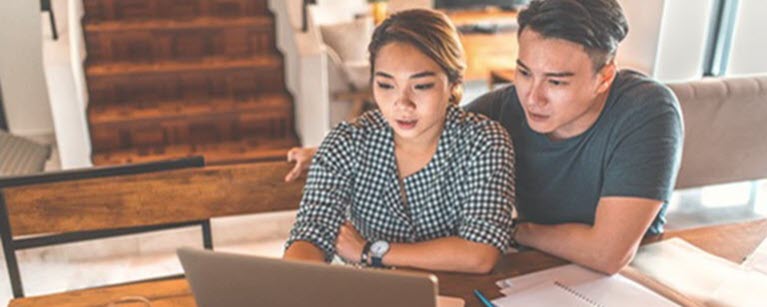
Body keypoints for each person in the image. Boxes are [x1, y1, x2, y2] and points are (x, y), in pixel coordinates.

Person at [285, 0, 684, 275]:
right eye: (524, 72)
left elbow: (608, 253)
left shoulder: (646, 110)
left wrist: (513, 230)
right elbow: (426, 129)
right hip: (528, 274)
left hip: (628, 280)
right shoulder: (502, 111)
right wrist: (329, 153)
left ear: (604, 77)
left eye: (556, 81)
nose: (532, 96)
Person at [283, 9, 516, 274]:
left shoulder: (485, 142)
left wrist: (371, 251)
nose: (402, 103)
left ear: (453, 83)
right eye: (386, 85)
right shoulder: (346, 142)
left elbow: (480, 253)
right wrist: (300, 283)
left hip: (458, 293)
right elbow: (311, 234)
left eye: (422, 86)